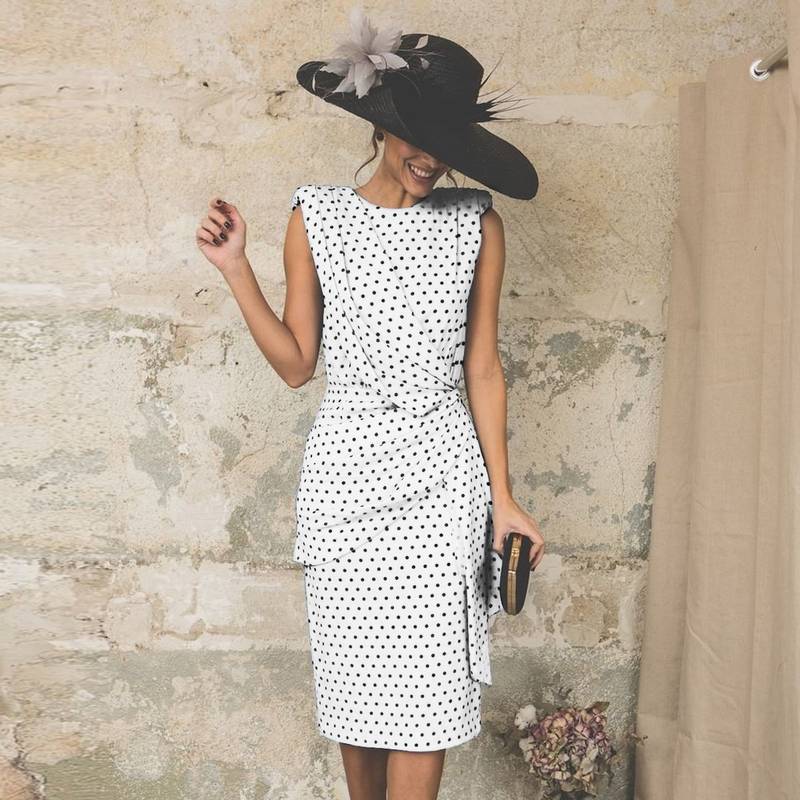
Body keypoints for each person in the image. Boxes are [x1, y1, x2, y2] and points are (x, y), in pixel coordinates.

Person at [196, 9, 545, 799]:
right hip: (347, 485)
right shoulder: (316, 216)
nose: (432, 160)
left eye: (447, 147)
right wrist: (236, 269)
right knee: (359, 697)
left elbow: (484, 369)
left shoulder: (476, 225)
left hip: (442, 485)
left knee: (426, 698)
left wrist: (505, 499)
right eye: (419, 139)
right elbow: (297, 365)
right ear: (381, 125)